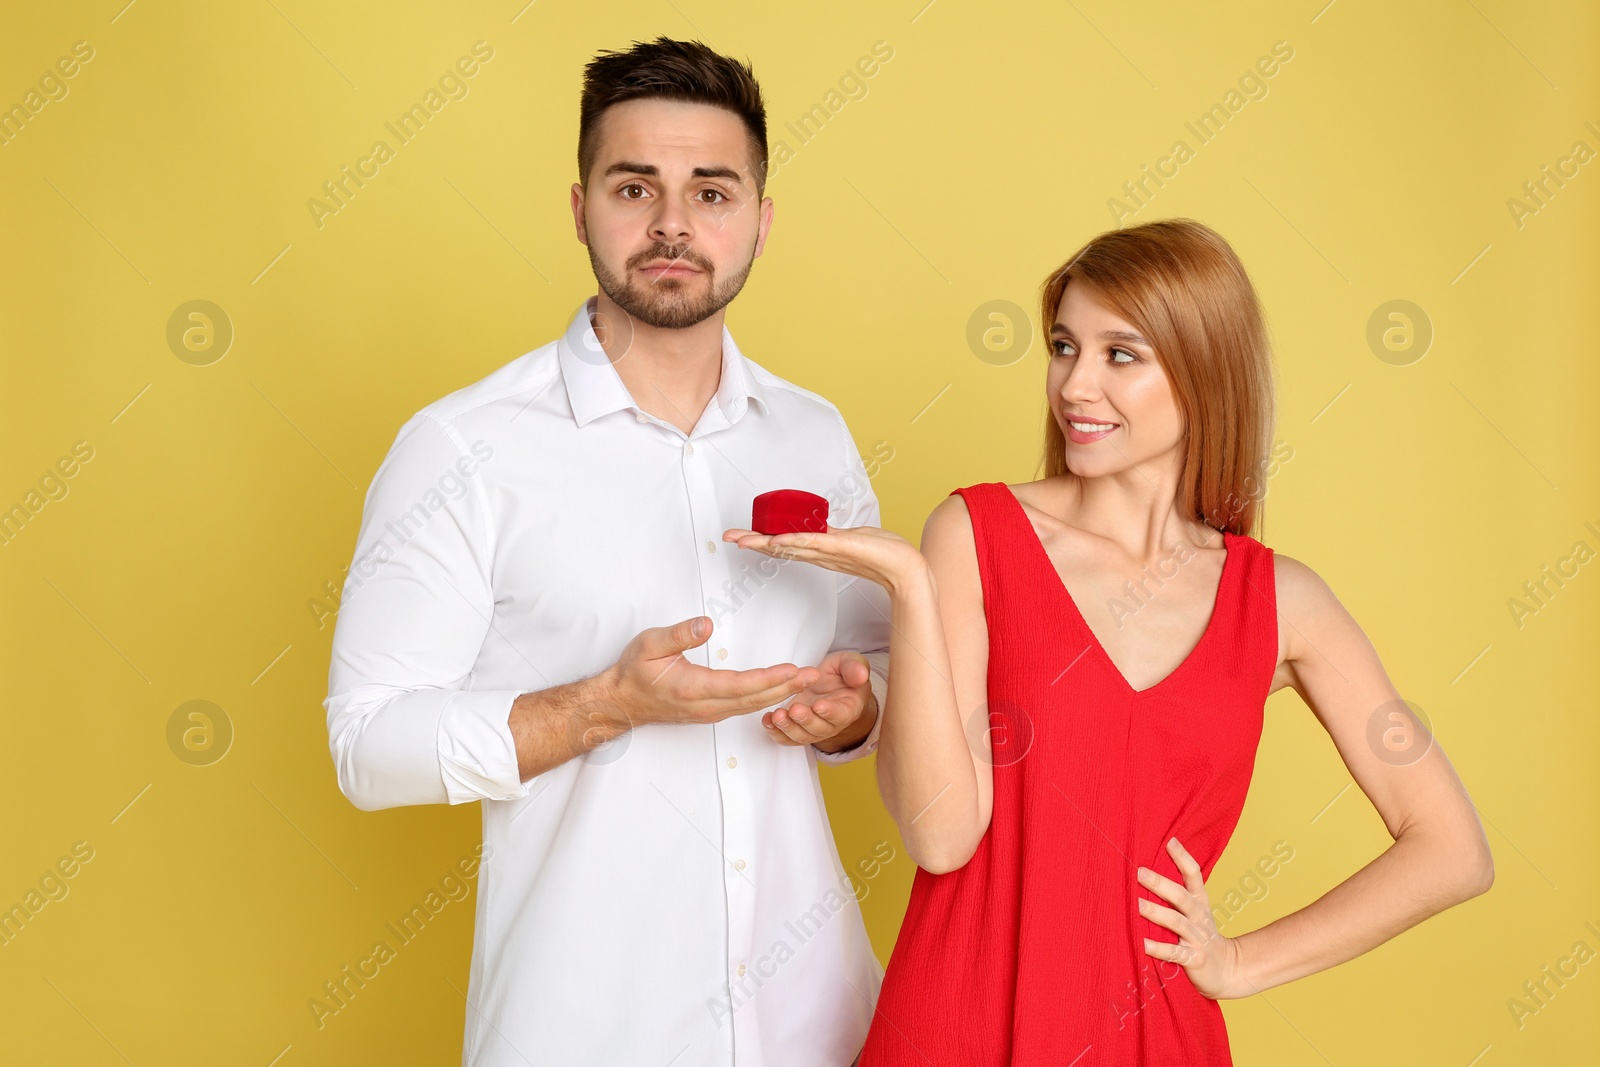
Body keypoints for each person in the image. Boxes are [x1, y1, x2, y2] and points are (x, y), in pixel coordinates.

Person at [725, 218, 1495, 1065]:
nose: (1074, 385)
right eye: (1063, 346)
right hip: (960, 1025)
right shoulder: (974, 533)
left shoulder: (1281, 601)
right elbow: (942, 838)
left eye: (1120, 354)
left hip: (1153, 1037)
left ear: (1203, 370)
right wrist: (910, 586)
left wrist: (1239, 961)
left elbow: (1452, 849)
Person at [324, 37, 894, 1067]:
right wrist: (607, 705)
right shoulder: (464, 448)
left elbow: (879, 668)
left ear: (760, 222)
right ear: (580, 205)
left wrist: (857, 710)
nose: (673, 223)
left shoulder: (815, 434)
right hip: (581, 1029)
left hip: (820, 1024)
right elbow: (367, 744)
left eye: (711, 192)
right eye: (636, 186)